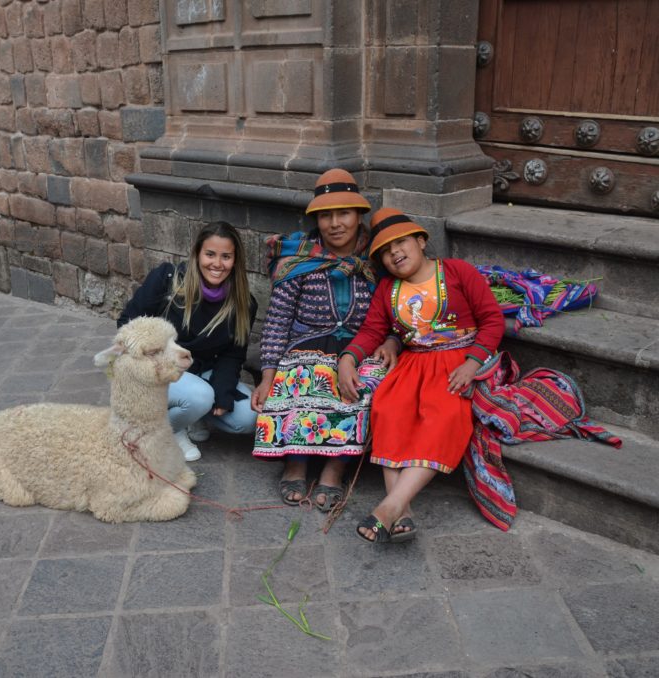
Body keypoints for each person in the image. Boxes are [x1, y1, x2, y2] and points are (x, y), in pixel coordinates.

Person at [337, 207, 504, 543]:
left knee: (443, 414)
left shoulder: (457, 272)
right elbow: (372, 331)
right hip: (414, 362)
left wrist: (473, 363)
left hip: (458, 362)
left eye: (401, 243)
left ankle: (391, 505)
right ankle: (403, 511)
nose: (395, 253)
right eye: (385, 251)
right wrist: (347, 360)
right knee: (388, 408)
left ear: (421, 240)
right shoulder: (387, 290)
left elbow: (492, 320)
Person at [251, 169, 398, 510]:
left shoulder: (378, 259)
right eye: (326, 215)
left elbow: (397, 312)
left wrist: (391, 341)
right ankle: (296, 461)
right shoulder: (298, 260)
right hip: (306, 343)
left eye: (343, 213)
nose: (335, 223)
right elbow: (277, 321)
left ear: (359, 215)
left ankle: (335, 468)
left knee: (366, 384)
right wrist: (267, 376)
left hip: (362, 346)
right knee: (305, 376)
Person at [118, 221, 258, 461]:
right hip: (156, 370)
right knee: (200, 396)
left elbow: (233, 354)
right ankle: (163, 432)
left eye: (226, 256)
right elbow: (127, 324)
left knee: (248, 417)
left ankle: (192, 414)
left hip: (203, 372)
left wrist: (223, 392)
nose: (217, 264)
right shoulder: (167, 280)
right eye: (210, 254)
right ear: (197, 254)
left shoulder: (243, 302)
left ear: (235, 261)